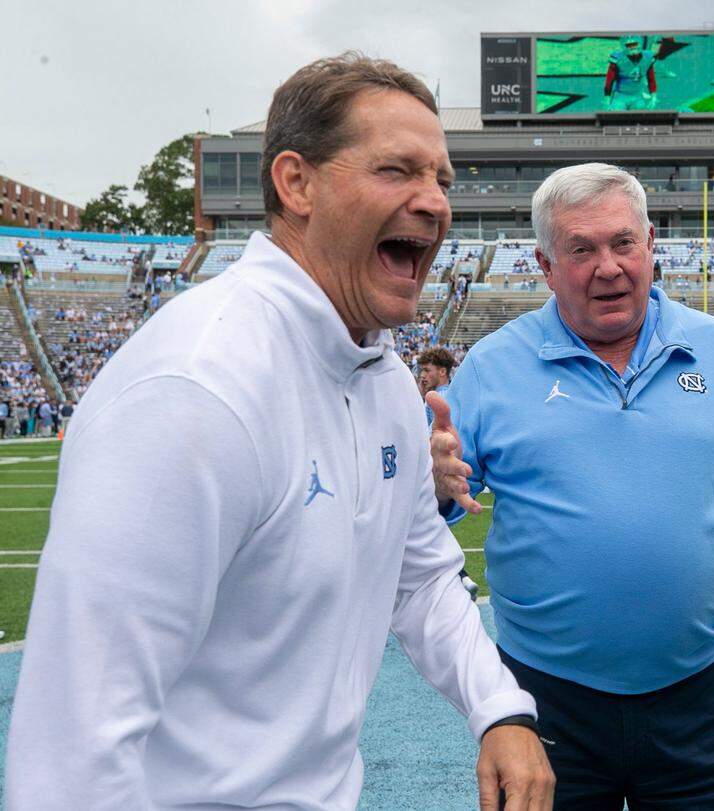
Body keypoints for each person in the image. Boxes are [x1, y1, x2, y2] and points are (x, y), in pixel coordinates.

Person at [6, 53, 553, 811]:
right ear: (295, 183)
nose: (434, 203)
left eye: (443, 180)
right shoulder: (198, 387)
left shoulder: (386, 378)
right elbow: (73, 750)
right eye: (398, 170)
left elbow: (421, 574)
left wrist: (501, 708)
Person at [428, 163, 714, 809]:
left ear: (651, 243)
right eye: (581, 249)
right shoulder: (493, 365)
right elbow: (436, 500)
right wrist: (434, 483)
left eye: (623, 242)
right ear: (544, 264)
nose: (608, 266)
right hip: (547, 699)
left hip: (696, 697)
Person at [417, 346, 478, 602]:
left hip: (432, 473)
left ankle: (456, 578)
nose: (422, 375)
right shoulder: (446, 395)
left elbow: (432, 439)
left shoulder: (438, 398)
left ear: (442, 372)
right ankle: (461, 576)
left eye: (427, 370)